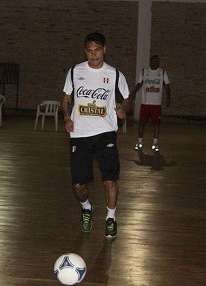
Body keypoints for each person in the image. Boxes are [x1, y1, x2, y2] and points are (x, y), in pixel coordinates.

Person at [62, 32, 130, 239]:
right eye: (90, 51)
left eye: (97, 50)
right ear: (85, 51)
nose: (94, 55)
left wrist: (122, 109)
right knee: (78, 185)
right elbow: (66, 98)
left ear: (104, 50)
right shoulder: (75, 71)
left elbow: (126, 98)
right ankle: (86, 207)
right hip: (80, 135)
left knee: (110, 180)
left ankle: (111, 218)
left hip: (105, 134)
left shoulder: (115, 74)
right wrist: (66, 116)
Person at [130, 55, 171, 152]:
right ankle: (139, 142)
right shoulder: (144, 72)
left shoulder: (162, 72)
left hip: (156, 104)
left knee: (156, 123)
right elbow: (139, 84)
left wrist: (169, 98)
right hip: (145, 103)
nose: (155, 63)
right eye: (154, 61)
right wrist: (133, 93)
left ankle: (155, 143)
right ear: (150, 62)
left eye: (157, 61)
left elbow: (167, 86)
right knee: (142, 123)